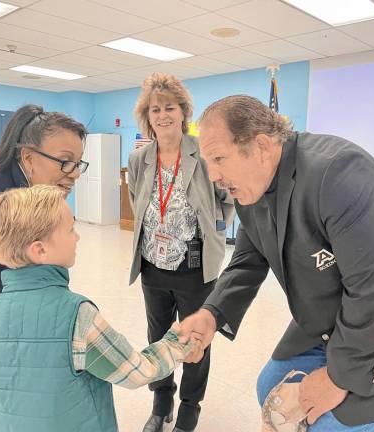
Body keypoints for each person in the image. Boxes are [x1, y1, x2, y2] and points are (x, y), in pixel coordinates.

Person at [179, 95, 374, 431]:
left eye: (218, 158)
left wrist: (337, 379)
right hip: (325, 321)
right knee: (269, 386)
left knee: (328, 421)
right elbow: (246, 264)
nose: (213, 174)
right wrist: (210, 315)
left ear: (261, 145)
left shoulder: (338, 173)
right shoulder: (251, 189)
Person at [0, 185, 193, 432]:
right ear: (39, 249)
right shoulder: (76, 316)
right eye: (70, 229)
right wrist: (178, 343)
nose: (77, 237)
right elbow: (136, 372)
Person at [0, 104, 88, 432]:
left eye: (79, 163)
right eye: (64, 160)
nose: (74, 173)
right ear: (28, 157)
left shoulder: (25, 196)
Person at [128, 73, 234, 432]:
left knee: (194, 341)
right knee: (158, 338)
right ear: (147, 115)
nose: (162, 115)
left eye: (169, 107)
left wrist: (217, 230)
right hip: (152, 266)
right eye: (155, 109)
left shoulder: (201, 153)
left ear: (183, 111)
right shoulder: (140, 159)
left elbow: (226, 196)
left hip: (194, 268)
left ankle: (189, 408)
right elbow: (136, 201)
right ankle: (161, 404)